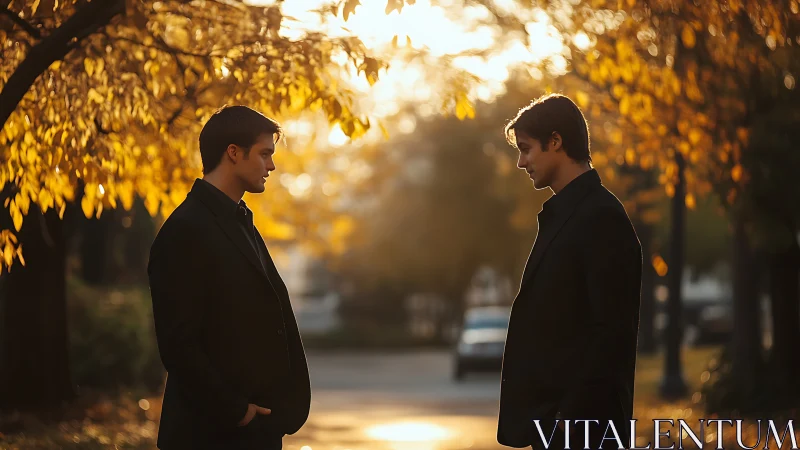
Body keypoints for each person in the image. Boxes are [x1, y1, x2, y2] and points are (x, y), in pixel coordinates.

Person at [148, 105, 310, 450]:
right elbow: (178, 345)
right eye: (265, 154)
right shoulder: (186, 230)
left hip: (252, 434)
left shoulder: (238, 221)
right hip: (212, 435)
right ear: (233, 153)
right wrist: (237, 411)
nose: (272, 165)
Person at [496, 94, 642, 450]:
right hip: (557, 425)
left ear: (556, 142)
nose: (520, 162)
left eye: (527, 149)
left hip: (584, 428)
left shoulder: (601, 217)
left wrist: (566, 419)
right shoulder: (566, 214)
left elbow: (610, 332)